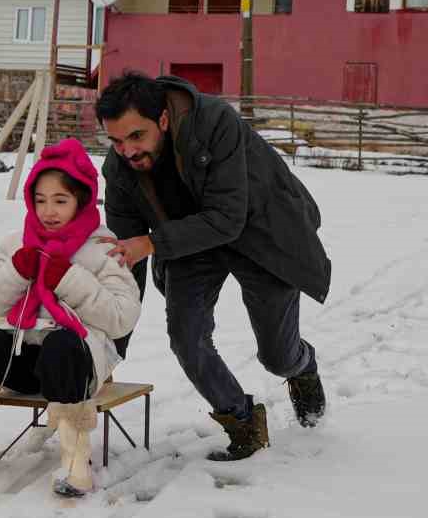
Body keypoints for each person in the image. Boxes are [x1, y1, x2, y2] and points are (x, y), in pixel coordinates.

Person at [94, 72, 330, 462]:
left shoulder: (215, 123)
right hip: (188, 242)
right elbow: (124, 265)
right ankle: (242, 422)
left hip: (260, 234)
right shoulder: (120, 171)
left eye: (136, 136)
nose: (128, 151)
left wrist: (151, 242)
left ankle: (302, 368)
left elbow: (227, 218)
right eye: (116, 141)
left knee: (277, 357)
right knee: (186, 337)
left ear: (164, 121)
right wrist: (108, 352)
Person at [0, 138, 142, 497]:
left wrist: (69, 280)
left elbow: (123, 318)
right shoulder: (19, 243)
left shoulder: (104, 247)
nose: (49, 211)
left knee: (61, 344)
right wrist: (17, 271)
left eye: (60, 200)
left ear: (82, 200)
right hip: (24, 355)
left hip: (77, 363)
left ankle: (76, 460)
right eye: (41, 200)